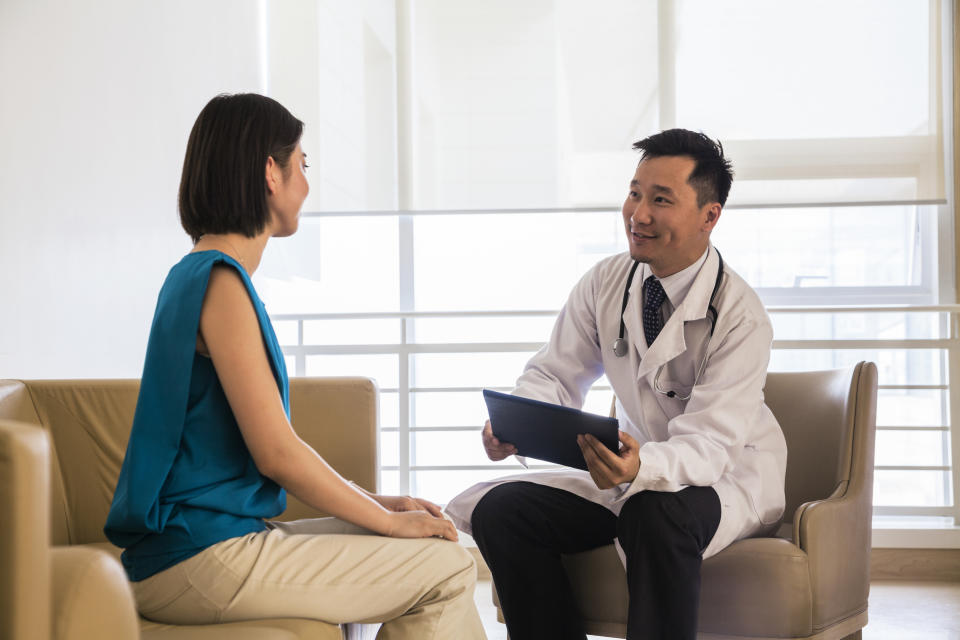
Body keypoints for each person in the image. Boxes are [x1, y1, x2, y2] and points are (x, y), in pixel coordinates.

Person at [104, 93, 486, 640]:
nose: (307, 184)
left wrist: (382, 505)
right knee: (450, 570)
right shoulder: (220, 283)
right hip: (197, 559)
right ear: (270, 172)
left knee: (431, 550)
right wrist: (387, 520)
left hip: (207, 545)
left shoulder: (196, 275)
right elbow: (277, 453)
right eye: (302, 165)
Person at [445, 129, 787, 640]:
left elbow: (712, 445)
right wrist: (518, 422)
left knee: (656, 512)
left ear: (709, 216)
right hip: (626, 474)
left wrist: (640, 465)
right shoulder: (606, 282)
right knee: (503, 510)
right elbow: (555, 375)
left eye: (660, 200)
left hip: (724, 479)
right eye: (634, 193)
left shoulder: (741, 316)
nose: (638, 214)